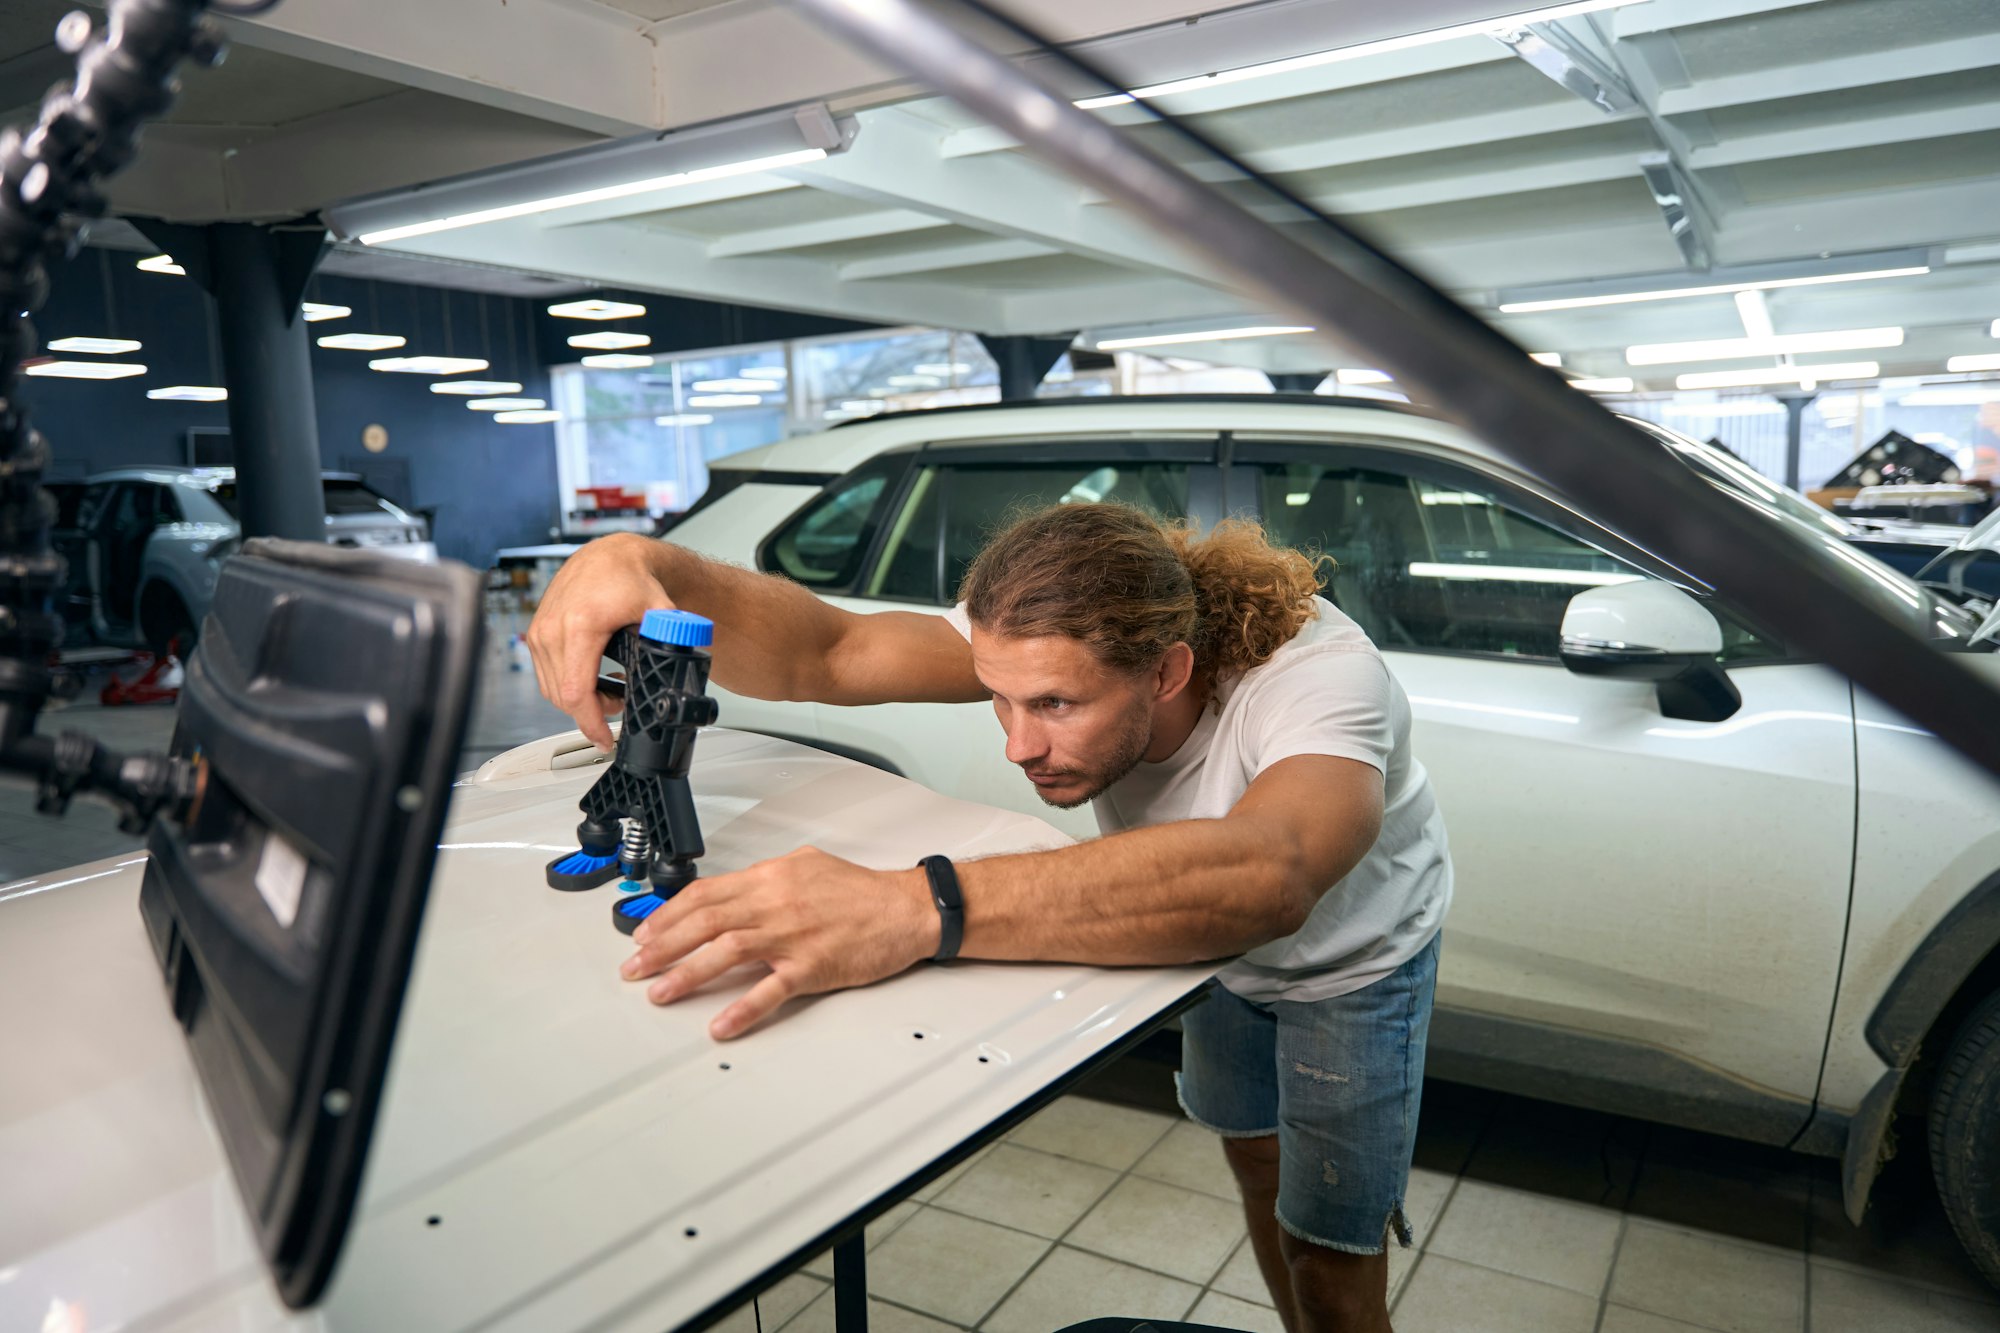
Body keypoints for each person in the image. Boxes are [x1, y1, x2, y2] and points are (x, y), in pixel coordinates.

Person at [528, 503, 1450, 1333]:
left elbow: (1271, 872)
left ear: (1169, 670)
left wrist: (913, 904)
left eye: (1054, 704)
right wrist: (639, 558)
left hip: (1348, 968)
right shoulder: (1047, 628)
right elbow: (832, 651)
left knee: (1330, 1268)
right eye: (1000, 698)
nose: (1019, 744)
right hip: (1208, 957)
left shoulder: (1318, 679)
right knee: (1257, 1162)